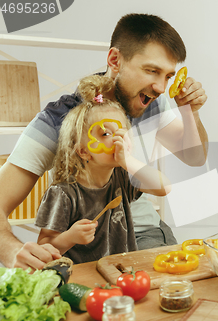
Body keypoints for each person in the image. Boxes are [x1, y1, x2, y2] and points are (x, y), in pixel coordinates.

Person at [0, 13, 208, 270]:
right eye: (151, 70)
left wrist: (190, 111)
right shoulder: (58, 120)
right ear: (115, 60)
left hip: (144, 236)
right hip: (84, 248)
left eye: (168, 76)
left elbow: (195, 157)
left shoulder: (152, 99)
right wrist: (12, 251)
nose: (162, 87)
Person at [36, 76, 171, 264]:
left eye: (122, 132)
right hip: (81, 278)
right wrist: (70, 237)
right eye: (106, 133)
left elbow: (164, 187)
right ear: (83, 151)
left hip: (120, 272)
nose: (117, 139)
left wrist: (129, 161)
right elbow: (44, 246)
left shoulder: (122, 177)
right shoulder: (62, 194)